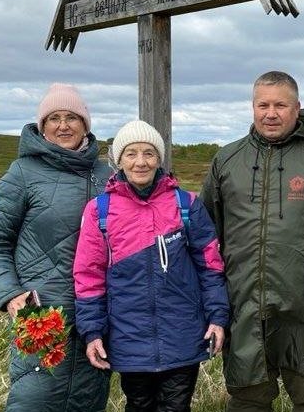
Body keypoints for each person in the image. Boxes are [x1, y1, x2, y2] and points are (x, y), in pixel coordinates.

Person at [200, 71, 304, 412]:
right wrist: (209, 298)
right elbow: (206, 236)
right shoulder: (228, 160)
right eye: (263, 105)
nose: (270, 113)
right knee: (248, 396)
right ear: (253, 107)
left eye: (280, 105)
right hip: (244, 302)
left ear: (297, 108)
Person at [73, 120, 229, 412]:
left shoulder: (187, 205)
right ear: (119, 160)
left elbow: (210, 267)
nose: (141, 162)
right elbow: (88, 277)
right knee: (139, 404)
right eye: (131, 154)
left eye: (149, 153)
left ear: (159, 158)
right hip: (128, 336)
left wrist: (217, 317)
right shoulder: (99, 211)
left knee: (176, 406)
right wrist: (92, 331)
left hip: (183, 334)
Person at [0, 83, 112, 411]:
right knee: (34, 400)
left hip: (96, 315)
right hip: (41, 314)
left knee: (87, 400)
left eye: (72, 117)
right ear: (43, 126)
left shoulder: (106, 174)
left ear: (85, 124)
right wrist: (10, 294)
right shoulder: (23, 172)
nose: (63, 125)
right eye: (54, 118)